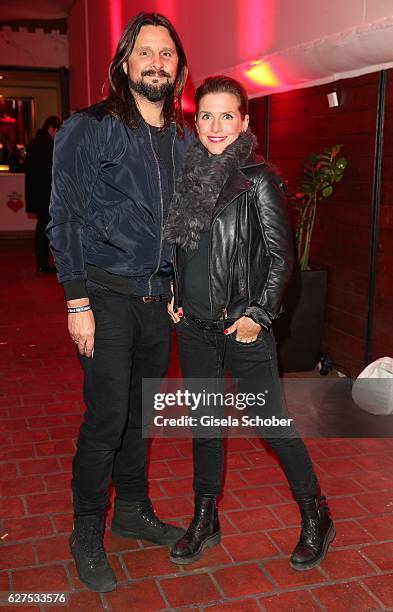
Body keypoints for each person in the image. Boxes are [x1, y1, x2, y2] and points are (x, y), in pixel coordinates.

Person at [48, 13, 193, 593]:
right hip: (104, 297)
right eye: (146, 52)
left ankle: (131, 510)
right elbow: (65, 217)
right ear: (125, 63)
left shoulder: (182, 138)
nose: (157, 62)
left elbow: (185, 223)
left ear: (178, 68)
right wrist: (75, 301)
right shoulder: (91, 126)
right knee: (107, 417)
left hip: (158, 302)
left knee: (141, 414)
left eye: (167, 54)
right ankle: (87, 529)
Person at [165, 76, 335, 570]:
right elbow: (185, 245)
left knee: (271, 425)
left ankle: (315, 516)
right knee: (205, 425)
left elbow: (284, 260)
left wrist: (257, 315)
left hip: (242, 329)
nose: (214, 126)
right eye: (205, 115)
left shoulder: (258, 179)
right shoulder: (189, 173)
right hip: (193, 326)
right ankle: (204, 519)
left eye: (225, 115)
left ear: (243, 121)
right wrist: (175, 291)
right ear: (194, 121)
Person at [25, 116, 61, 272]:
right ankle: (43, 262)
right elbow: (48, 173)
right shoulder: (44, 145)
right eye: (57, 131)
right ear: (51, 128)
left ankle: (42, 261)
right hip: (44, 195)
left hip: (39, 195)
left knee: (43, 228)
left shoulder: (36, 143)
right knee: (44, 230)